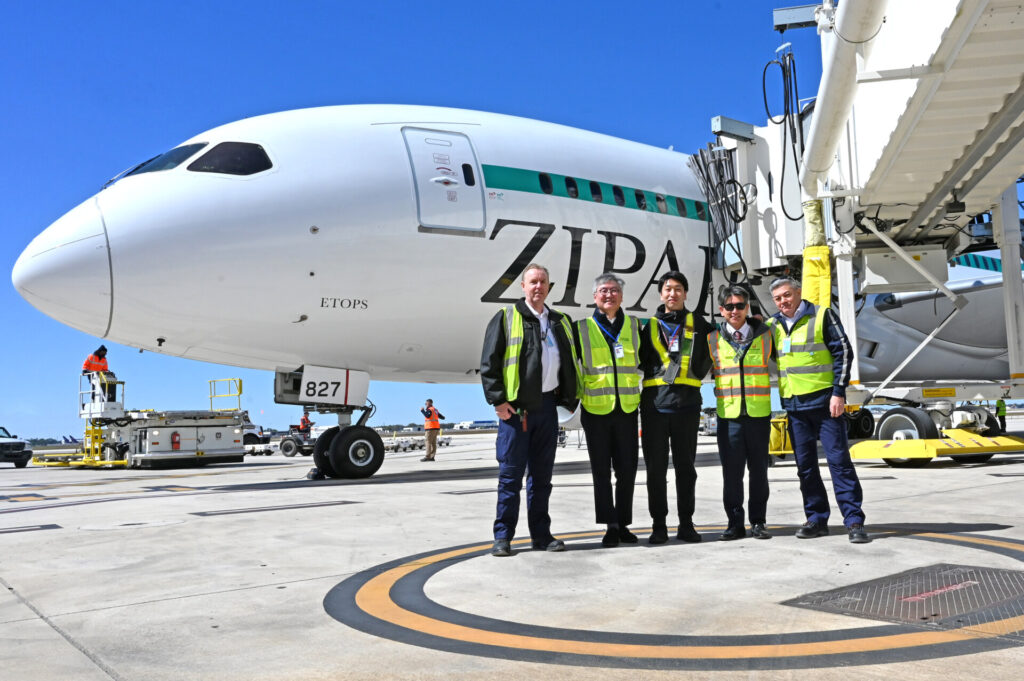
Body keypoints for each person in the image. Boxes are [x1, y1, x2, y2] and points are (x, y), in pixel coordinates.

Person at [480, 263, 580, 557]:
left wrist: (570, 397)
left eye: (543, 282)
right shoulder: (506, 318)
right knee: (510, 477)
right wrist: (498, 400)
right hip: (517, 412)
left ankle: (541, 535)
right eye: (532, 282)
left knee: (542, 478)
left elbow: (570, 361)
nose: (538, 287)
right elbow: (490, 362)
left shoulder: (560, 320)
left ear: (550, 287)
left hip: (548, 408)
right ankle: (503, 537)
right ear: (523, 287)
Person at [768, 277, 870, 544]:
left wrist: (838, 392)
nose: (783, 301)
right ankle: (816, 518)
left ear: (798, 293)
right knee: (805, 468)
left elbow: (843, 352)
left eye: (787, 295)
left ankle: (854, 521)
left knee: (839, 464)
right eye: (778, 298)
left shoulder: (822, 315)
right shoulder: (772, 325)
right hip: (794, 406)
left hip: (826, 404)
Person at [639, 271, 714, 544]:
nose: (673, 294)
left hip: (687, 407)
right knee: (655, 470)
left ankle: (686, 524)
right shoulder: (646, 326)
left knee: (686, 469)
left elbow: (718, 350)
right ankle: (659, 525)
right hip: (654, 407)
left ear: (685, 293)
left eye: (678, 289)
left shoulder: (701, 325)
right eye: (668, 289)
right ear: (661, 294)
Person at [575, 273, 642, 547]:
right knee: (600, 470)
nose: (609, 295)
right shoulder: (581, 328)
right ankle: (610, 525)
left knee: (627, 470)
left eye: (614, 291)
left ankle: (624, 522)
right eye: (603, 291)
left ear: (622, 296)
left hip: (626, 408)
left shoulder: (635, 327)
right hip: (596, 409)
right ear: (594, 297)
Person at [708, 285, 773, 541]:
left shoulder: (767, 335)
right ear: (721, 310)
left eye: (740, 306)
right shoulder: (712, 339)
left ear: (748, 308)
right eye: (729, 306)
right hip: (729, 417)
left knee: (759, 472)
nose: (735, 311)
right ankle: (735, 523)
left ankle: (758, 521)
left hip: (758, 415)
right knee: (732, 474)